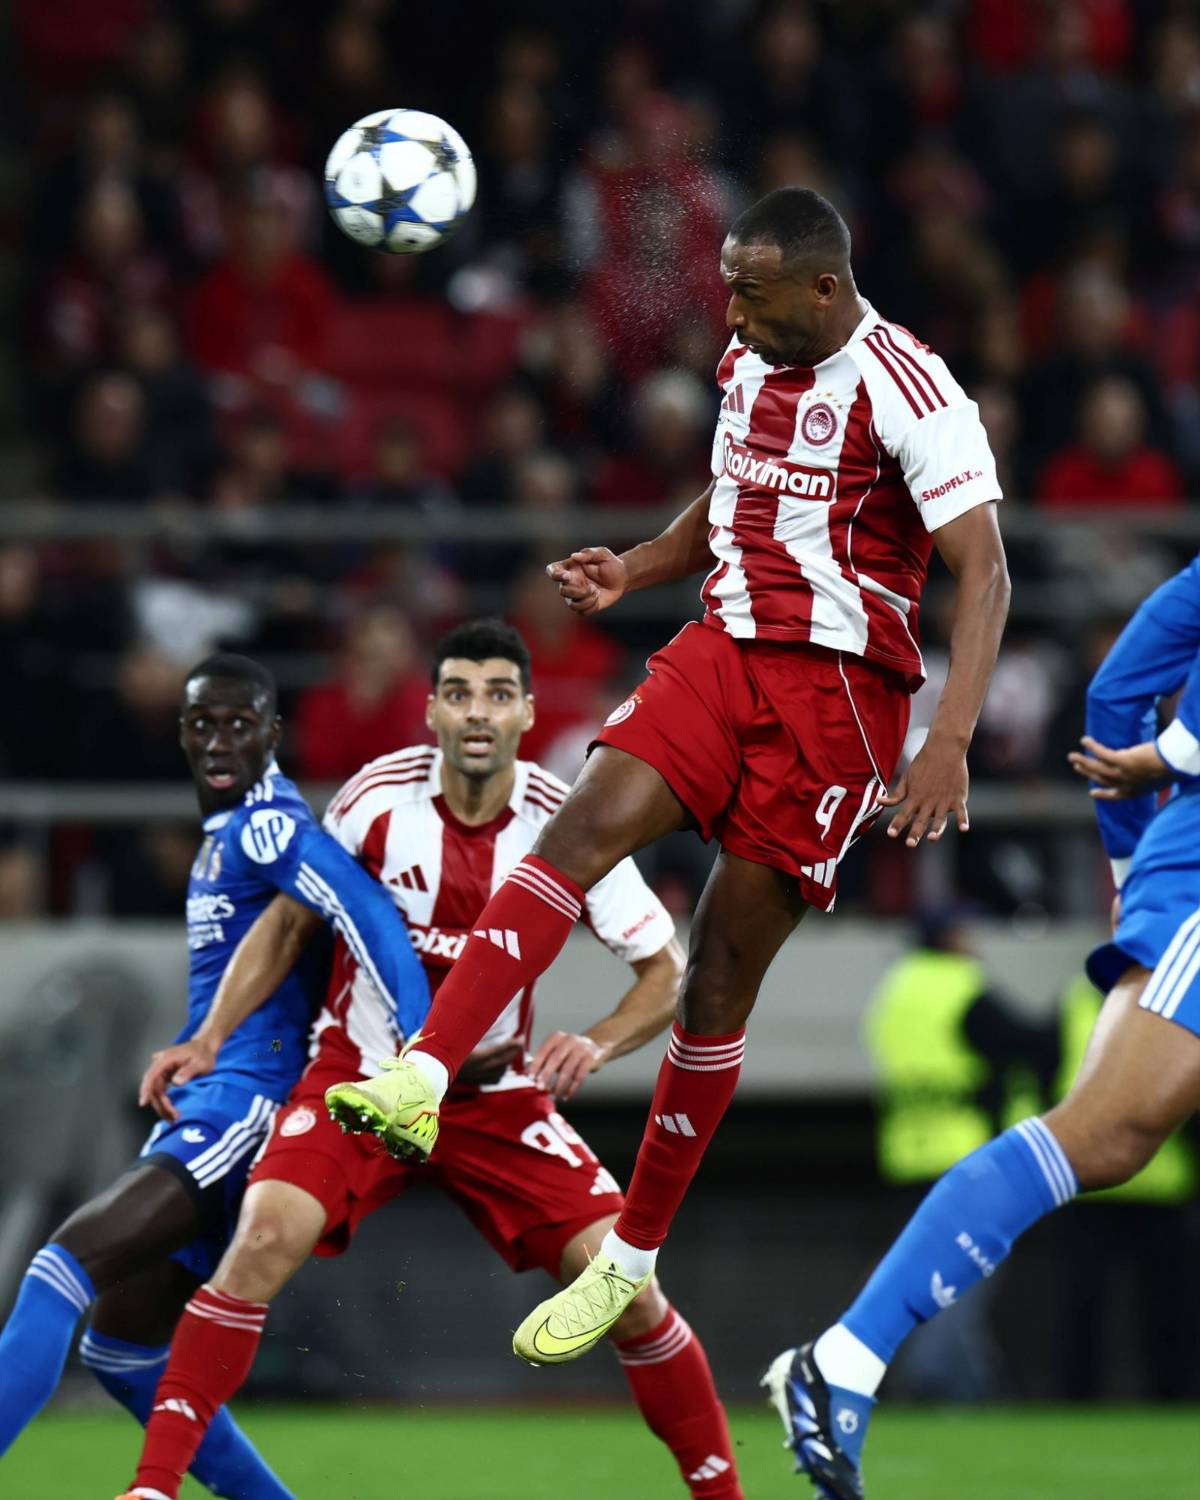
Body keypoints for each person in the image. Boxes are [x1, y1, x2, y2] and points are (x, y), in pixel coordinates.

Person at [324, 187, 1011, 1369]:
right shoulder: (749, 365)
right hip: (719, 651)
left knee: (716, 980)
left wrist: (948, 736)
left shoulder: (912, 388)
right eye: (726, 284)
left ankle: (631, 1256)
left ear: (824, 289)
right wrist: (636, 565)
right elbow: (733, 498)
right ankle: (425, 1070)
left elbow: (984, 568)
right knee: (577, 830)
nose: (728, 309)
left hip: (840, 703)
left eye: (750, 288)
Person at [118, 620, 743, 1500]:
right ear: (432, 712)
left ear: (527, 712)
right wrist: (207, 1037)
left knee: (627, 1289)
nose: (476, 713)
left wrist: (597, 1039)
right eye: (458, 694)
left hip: (493, 1096)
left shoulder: (570, 822)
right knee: (262, 1237)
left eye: (496, 694)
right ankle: (151, 1489)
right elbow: (291, 919)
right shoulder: (377, 799)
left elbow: (664, 971)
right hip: (361, 1078)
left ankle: (724, 1495)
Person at [764, 555, 1200, 1498]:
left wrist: (1132, 870)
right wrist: (1178, 767)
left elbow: (1118, 692)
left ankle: (848, 1356)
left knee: (1111, 1139)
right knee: (1105, 1134)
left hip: (1174, 869)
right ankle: (846, 1357)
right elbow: (1133, 715)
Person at [0, 654, 428, 1499]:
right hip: (212, 1096)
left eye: (241, 723)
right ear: (183, 732)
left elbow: (364, 909)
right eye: (204, 723)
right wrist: (197, 1042)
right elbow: (252, 964)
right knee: (120, 1350)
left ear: (273, 733)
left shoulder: (267, 825)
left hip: (248, 1106)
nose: (221, 740)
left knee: (61, 1266)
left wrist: (422, 1050)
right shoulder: (226, 831)